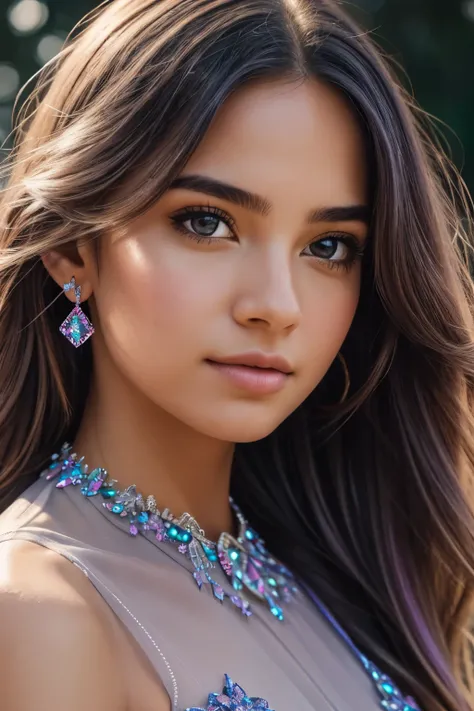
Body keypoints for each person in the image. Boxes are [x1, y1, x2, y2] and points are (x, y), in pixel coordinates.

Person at [0, 0, 473, 709]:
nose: (277, 304)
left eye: (328, 246)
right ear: (73, 251)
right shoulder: (38, 609)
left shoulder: (343, 577)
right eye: (206, 222)